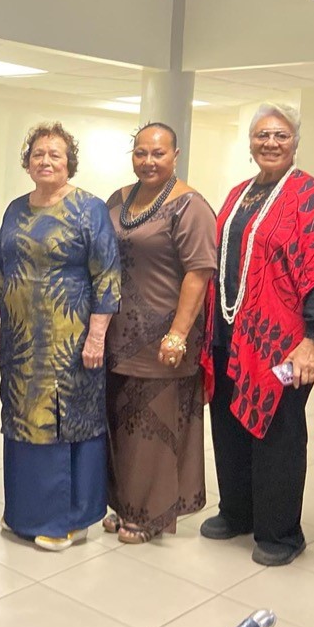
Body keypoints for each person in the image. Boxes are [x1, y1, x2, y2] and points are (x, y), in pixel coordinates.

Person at [201, 103, 314, 567]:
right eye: (262, 135)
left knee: (278, 431)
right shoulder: (239, 194)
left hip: (286, 345)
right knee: (229, 424)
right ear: (250, 142)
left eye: (281, 135)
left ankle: (281, 532)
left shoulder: (313, 198)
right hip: (230, 337)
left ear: (295, 142)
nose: (270, 143)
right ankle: (237, 512)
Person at [0, 123, 121, 551]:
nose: (45, 161)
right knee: (20, 420)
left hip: (69, 340)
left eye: (55, 155)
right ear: (28, 163)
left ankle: (66, 520)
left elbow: (108, 275)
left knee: (64, 422)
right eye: (38, 154)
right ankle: (23, 513)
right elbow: (2, 266)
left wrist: (96, 336)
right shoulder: (15, 209)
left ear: (69, 163)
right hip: (20, 341)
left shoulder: (89, 209)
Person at [102, 123, 216, 544]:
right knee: (122, 422)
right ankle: (124, 505)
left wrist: (178, 334)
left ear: (175, 155)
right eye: (141, 153)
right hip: (118, 332)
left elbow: (199, 272)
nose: (148, 161)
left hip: (164, 336)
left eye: (158, 153)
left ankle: (150, 515)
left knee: (154, 426)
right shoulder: (119, 199)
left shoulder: (190, 206)